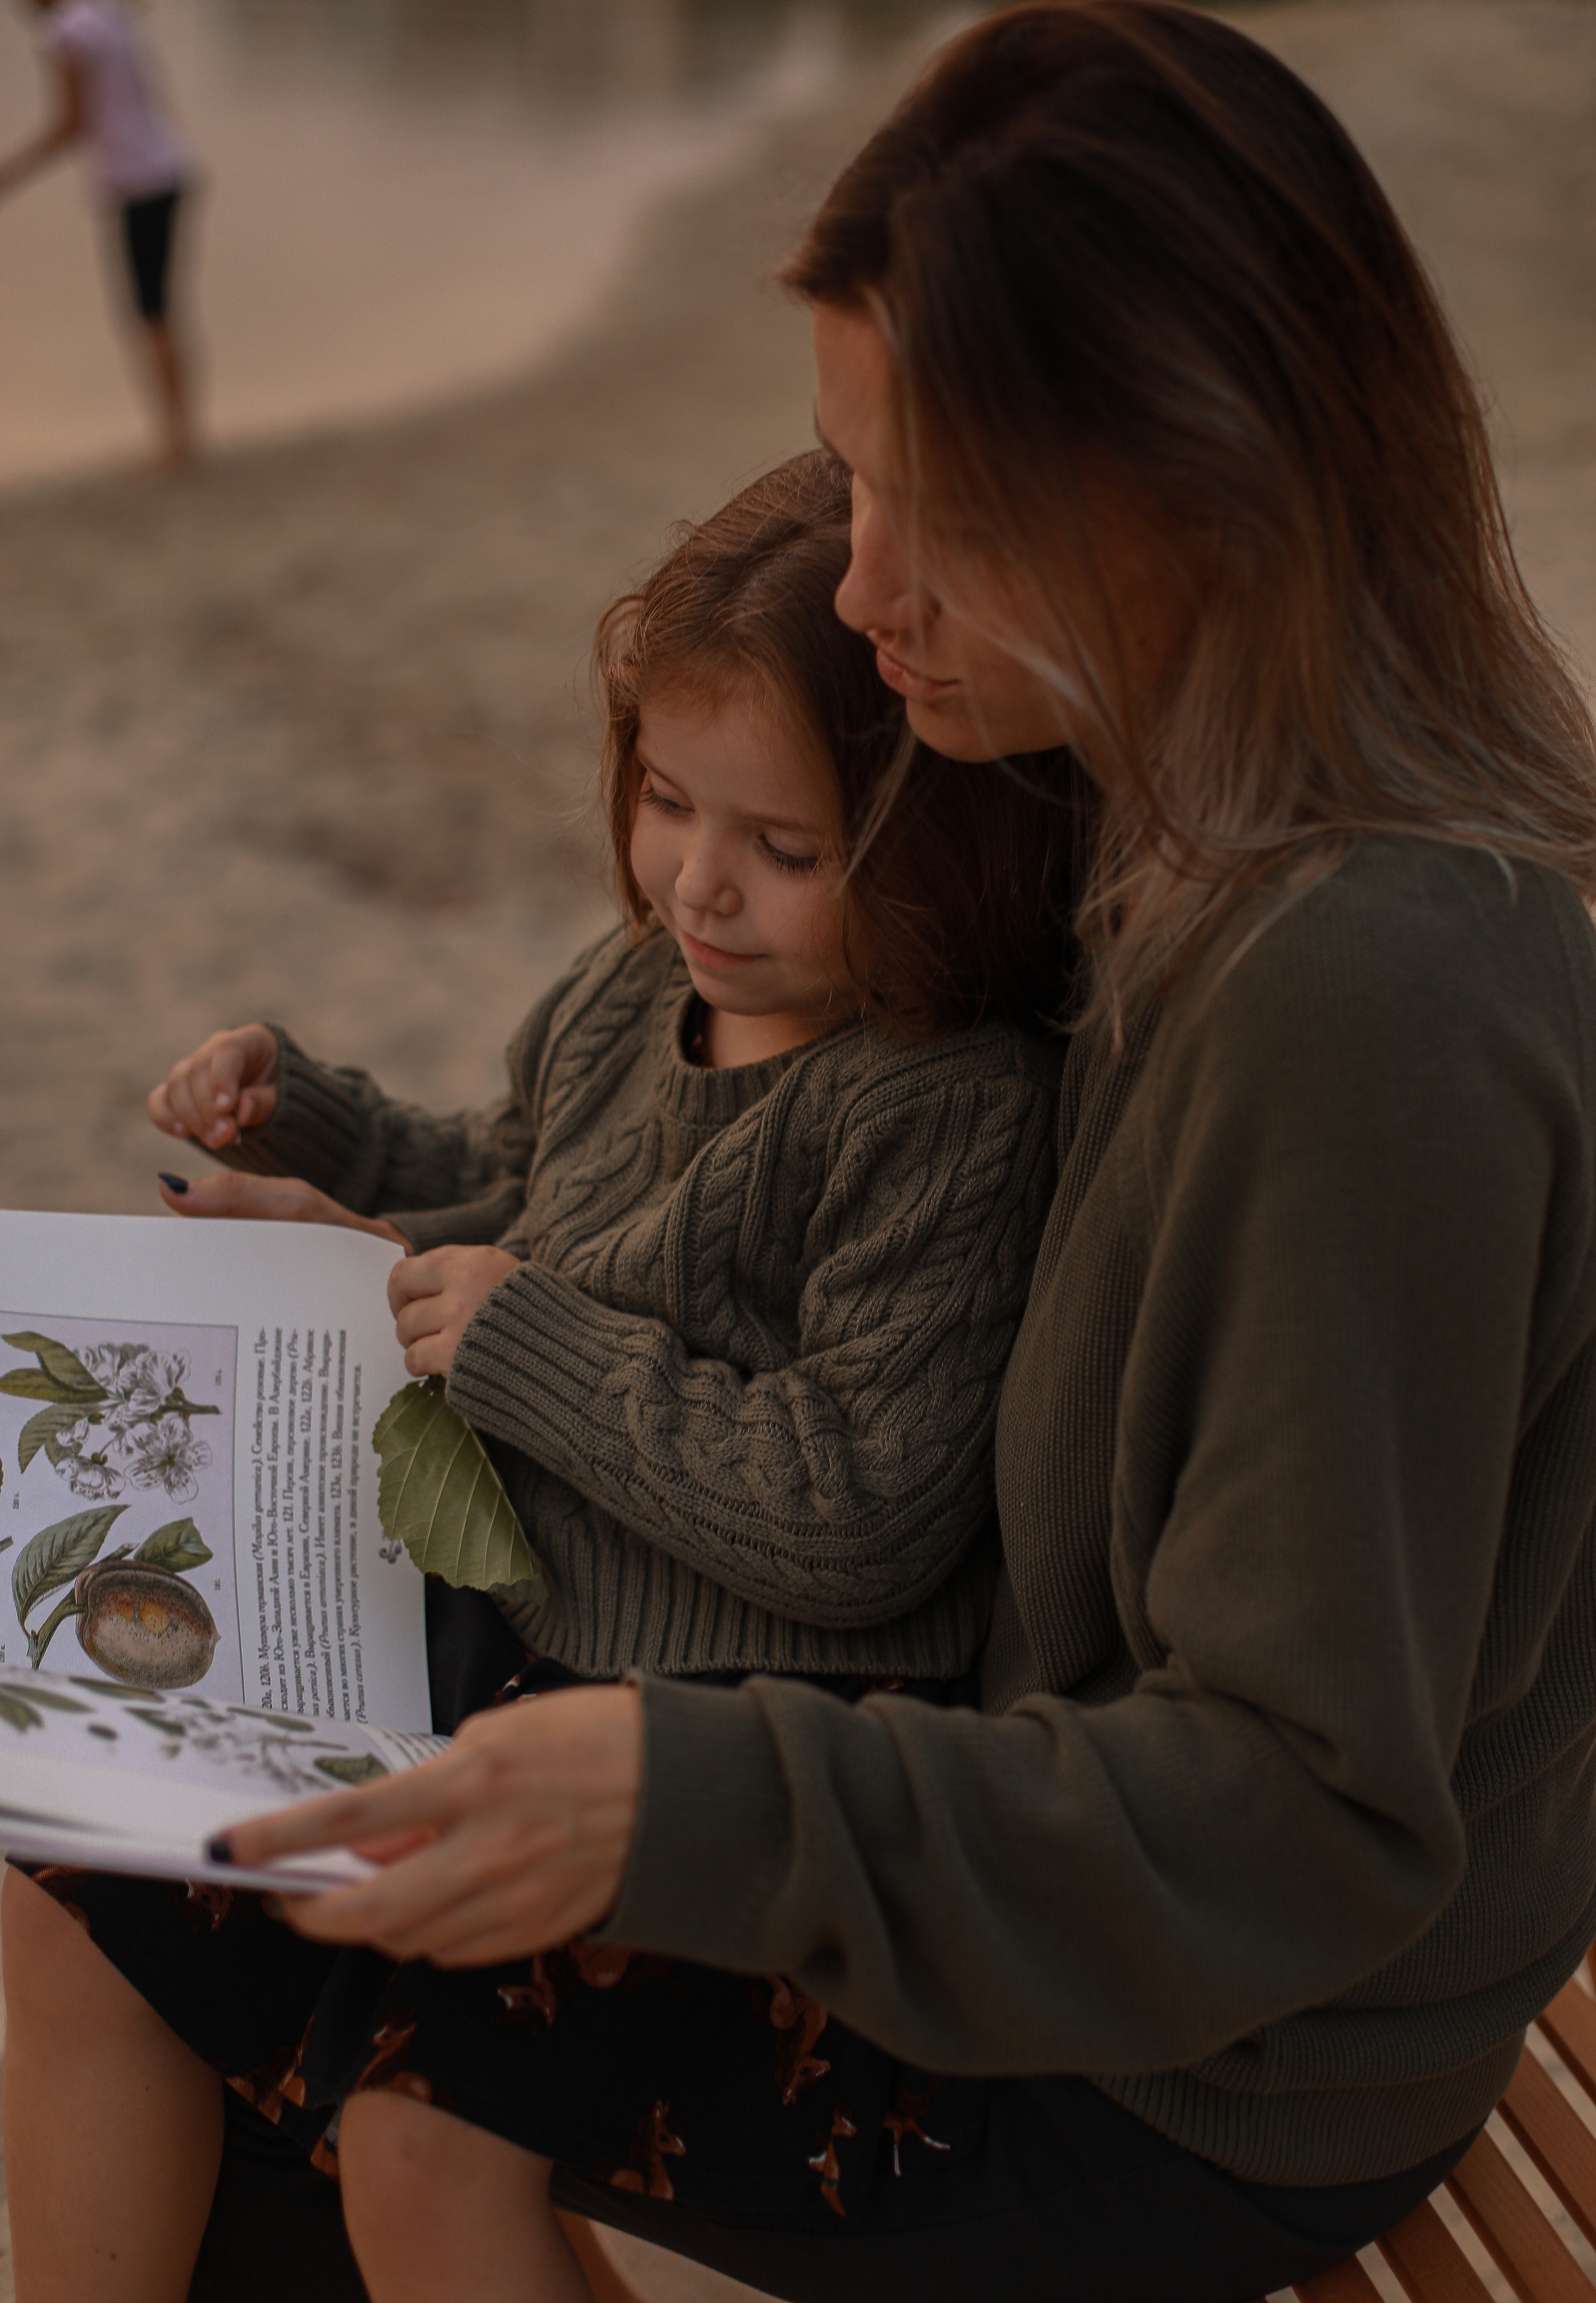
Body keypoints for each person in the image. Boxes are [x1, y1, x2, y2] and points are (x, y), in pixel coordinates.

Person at [9, 0, 1596, 2303]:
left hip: (1184, 2073)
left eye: (925, 510)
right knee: (104, 1870)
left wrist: (685, 1795)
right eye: (844, 481)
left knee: (299, 2080)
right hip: (1006, 1862)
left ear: (1189, 477)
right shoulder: (1154, 801)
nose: (858, 592)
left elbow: (1302, 1814)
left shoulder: (1365, 986)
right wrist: (372, 1238)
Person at [2, 450, 1081, 2303]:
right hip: (500, 1653)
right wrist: (330, 1142)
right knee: (58, 1883)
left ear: (941, 844)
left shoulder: (942, 1107)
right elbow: (522, 1185)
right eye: (666, 800)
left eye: (785, 846)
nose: (700, 883)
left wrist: (527, 1344)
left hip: (732, 1757)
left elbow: (861, 1514)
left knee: (423, 2146)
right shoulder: (630, 987)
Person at [0, 0, 198, 466]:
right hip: (168, 166)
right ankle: (180, 434)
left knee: (148, 311)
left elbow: (71, 124)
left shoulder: (68, 28)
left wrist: (11, 173)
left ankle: (176, 442)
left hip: (139, 179)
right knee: (159, 310)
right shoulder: (111, 14)